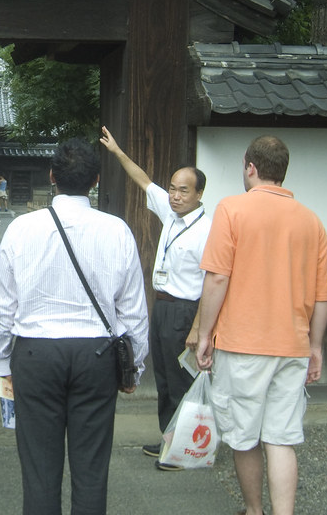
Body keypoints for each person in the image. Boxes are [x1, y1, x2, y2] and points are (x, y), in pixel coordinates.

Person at [0, 138, 149, 515]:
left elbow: (0, 309)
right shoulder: (117, 230)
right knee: (91, 466)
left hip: (35, 352)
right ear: (94, 180)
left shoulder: (22, 229)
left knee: (39, 469)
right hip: (96, 356)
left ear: (51, 176)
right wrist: (133, 368)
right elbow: (134, 312)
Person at [195, 135, 327, 515]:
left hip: (243, 343)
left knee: (244, 436)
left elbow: (218, 278)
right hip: (292, 343)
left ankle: (255, 510)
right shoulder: (311, 221)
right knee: (282, 438)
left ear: (250, 166)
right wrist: (315, 347)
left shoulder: (231, 210)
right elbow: (323, 295)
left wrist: (205, 335)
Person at [99, 126, 211, 469]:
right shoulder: (170, 212)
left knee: (181, 381)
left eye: (183, 191)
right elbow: (144, 181)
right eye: (173, 189)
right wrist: (118, 152)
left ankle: (185, 451)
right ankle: (169, 438)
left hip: (186, 310)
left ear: (199, 193)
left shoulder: (208, 229)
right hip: (161, 306)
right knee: (163, 377)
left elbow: (213, 283)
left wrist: (197, 328)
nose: (175, 196)